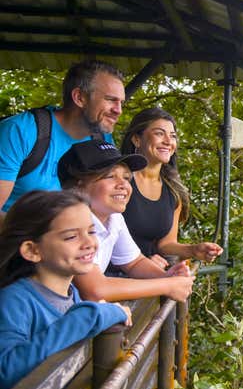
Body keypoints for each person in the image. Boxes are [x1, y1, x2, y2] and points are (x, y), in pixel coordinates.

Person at [0, 190, 131, 389]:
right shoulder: (14, 301)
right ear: (32, 251)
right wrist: (93, 315)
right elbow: (5, 371)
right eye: (71, 236)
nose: (89, 243)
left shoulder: (71, 294)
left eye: (91, 231)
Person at [58, 140, 195, 302]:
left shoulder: (113, 218)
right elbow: (95, 290)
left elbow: (134, 262)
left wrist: (167, 276)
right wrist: (167, 285)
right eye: (110, 176)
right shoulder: (68, 223)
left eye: (126, 178)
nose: (123, 185)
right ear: (79, 186)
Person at [0, 60, 126, 216]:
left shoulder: (102, 139)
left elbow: (109, 201)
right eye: (110, 99)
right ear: (79, 97)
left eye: (121, 102)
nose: (118, 110)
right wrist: (48, 235)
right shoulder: (20, 130)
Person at [119, 108, 222, 263]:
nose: (168, 141)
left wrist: (193, 249)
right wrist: (141, 263)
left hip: (150, 274)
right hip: (113, 275)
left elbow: (166, 244)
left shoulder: (173, 191)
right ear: (136, 139)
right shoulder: (118, 181)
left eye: (172, 136)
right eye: (159, 133)